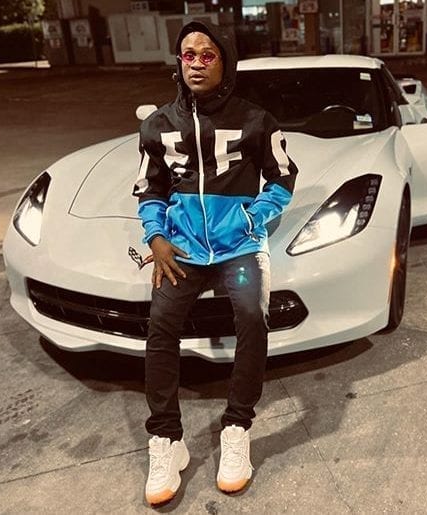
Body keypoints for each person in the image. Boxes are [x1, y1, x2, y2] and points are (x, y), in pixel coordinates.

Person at [132, 21, 298, 505]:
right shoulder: (157, 125)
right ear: (178, 63)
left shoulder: (256, 120)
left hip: (240, 246)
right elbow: (149, 189)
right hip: (182, 249)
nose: (197, 64)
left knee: (252, 317)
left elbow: (283, 180)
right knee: (161, 328)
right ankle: (167, 439)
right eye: (189, 55)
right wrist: (157, 237)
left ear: (225, 63)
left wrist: (251, 218)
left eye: (208, 55)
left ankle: (237, 428)